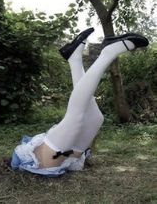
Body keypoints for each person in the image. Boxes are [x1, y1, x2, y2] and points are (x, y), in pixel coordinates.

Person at [10, 28, 149, 177]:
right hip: (65, 158)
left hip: (46, 160)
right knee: (96, 119)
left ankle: (107, 53)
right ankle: (74, 58)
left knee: (76, 118)